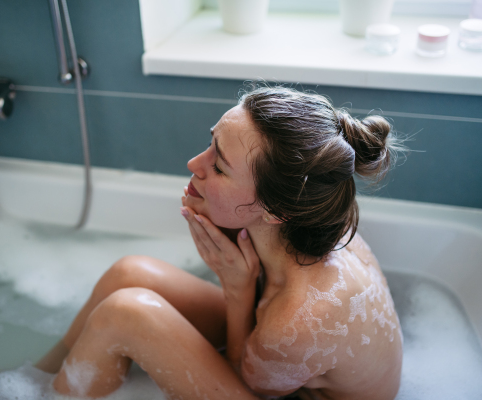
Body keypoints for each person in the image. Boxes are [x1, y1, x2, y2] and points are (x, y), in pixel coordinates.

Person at [36, 86, 404, 400]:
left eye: (220, 167)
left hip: (274, 377)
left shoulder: (300, 317)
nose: (195, 163)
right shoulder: (309, 216)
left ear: (275, 211)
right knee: (128, 274)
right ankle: (36, 381)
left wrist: (237, 290)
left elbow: (250, 382)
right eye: (211, 142)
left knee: (126, 314)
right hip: (278, 360)